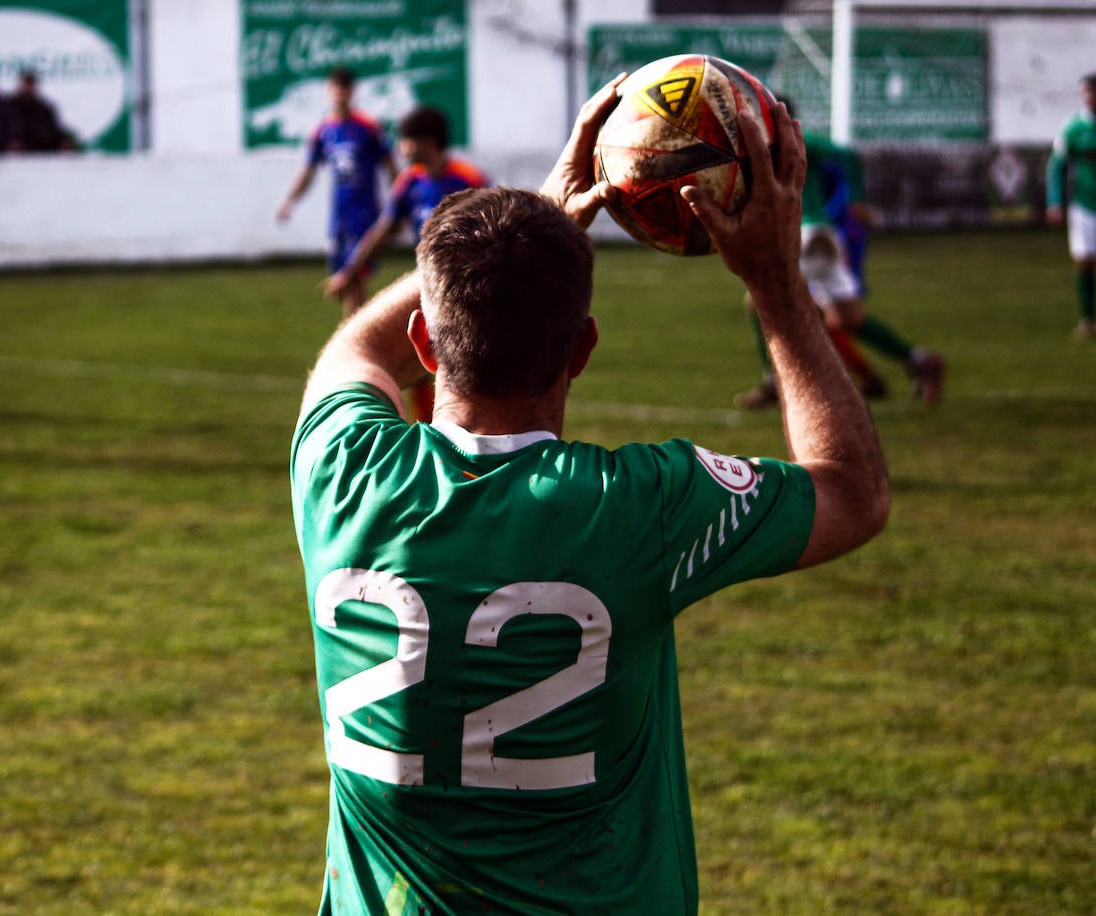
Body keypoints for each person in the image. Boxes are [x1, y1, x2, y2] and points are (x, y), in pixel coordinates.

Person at [290, 77, 889, 913]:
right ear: (582, 350)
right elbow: (853, 492)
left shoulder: (342, 471)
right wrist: (777, 287)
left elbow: (353, 351)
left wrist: (539, 212)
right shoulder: (640, 508)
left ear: (427, 341)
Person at [735, 114, 945, 409]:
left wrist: (855, 199)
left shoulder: (784, 139)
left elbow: (845, 154)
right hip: (821, 232)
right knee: (848, 319)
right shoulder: (781, 142)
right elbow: (845, 156)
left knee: (760, 302)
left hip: (802, 233)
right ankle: (919, 361)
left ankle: (775, 383)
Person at [323, 104, 489, 419]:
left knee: (463, 363)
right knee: (421, 357)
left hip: (469, 287)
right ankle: (430, 427)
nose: (401, 149)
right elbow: (382, 230)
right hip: (429, 284)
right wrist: (350, 270)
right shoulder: (410, 182)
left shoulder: (468, 180)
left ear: (428, 142)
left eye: (406, 141)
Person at [276, 67, 397, 317]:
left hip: (364, 214)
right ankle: (363, 329)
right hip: (339, 216)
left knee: (352, 279)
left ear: (353, 91)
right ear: (328, 91)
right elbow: (308, 171)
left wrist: (397, 208)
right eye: (336, 87)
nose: (340, 93)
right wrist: (290, 201)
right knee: (346, 284)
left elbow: (391, 167)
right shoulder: (323, 130)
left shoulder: (368, 127)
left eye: (345, 87)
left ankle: (355, 335)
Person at [1046, 72, 1096, 339]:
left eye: (1093, 92)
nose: (1089, 97)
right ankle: (1087, 320)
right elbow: (1057, 166)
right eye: (1086, 92)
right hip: (1084, 204)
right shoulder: (1073, 128)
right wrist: (1055, 201)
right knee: (1085, 260)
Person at [5, 70, 75, 152]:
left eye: (31, 84)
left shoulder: (43, 107)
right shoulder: (8, 106)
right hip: (13, 152)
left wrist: (62, 141)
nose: (29, 87)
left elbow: (53, 129)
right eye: (27, 84)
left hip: (40, 149)